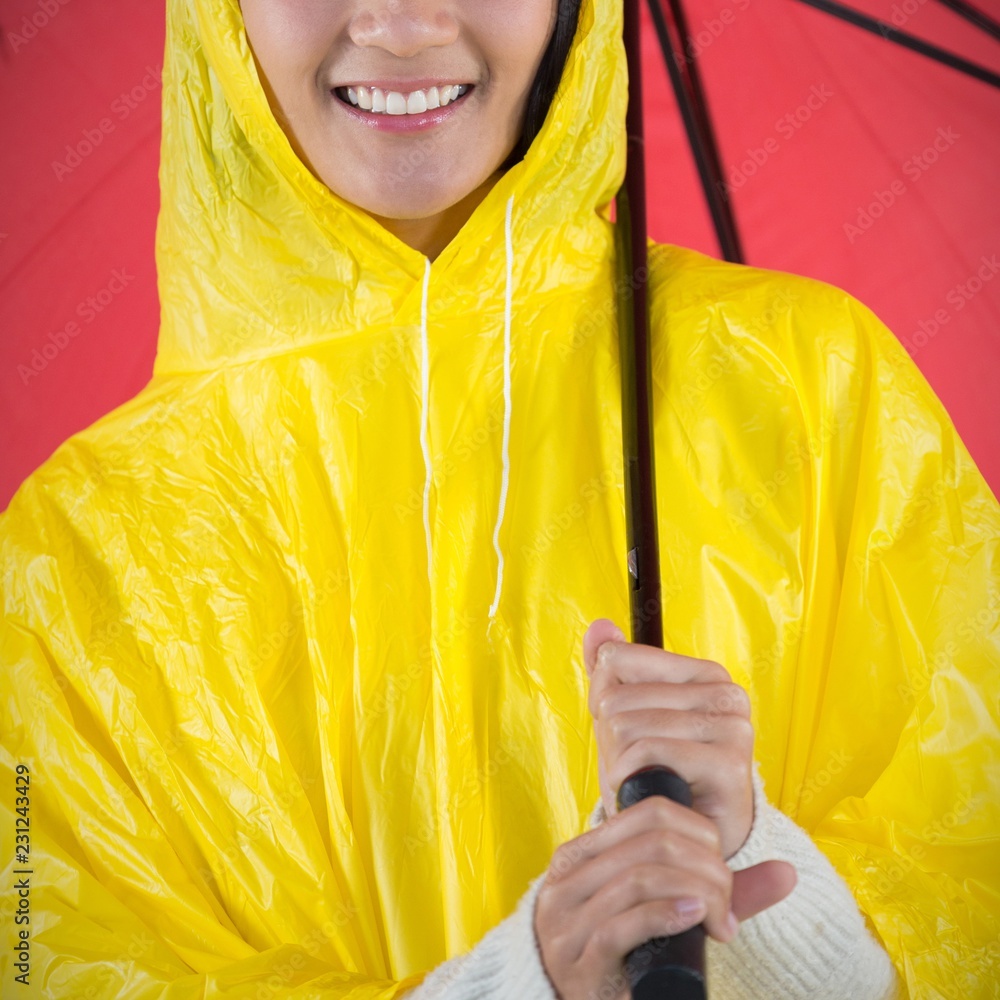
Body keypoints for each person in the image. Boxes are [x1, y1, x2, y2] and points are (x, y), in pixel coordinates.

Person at [1, 0, 997, 996]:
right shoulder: (69, 561)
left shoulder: (812, 389)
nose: (401, 25)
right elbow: (44, 955)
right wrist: (518, 980)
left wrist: (783, 915)